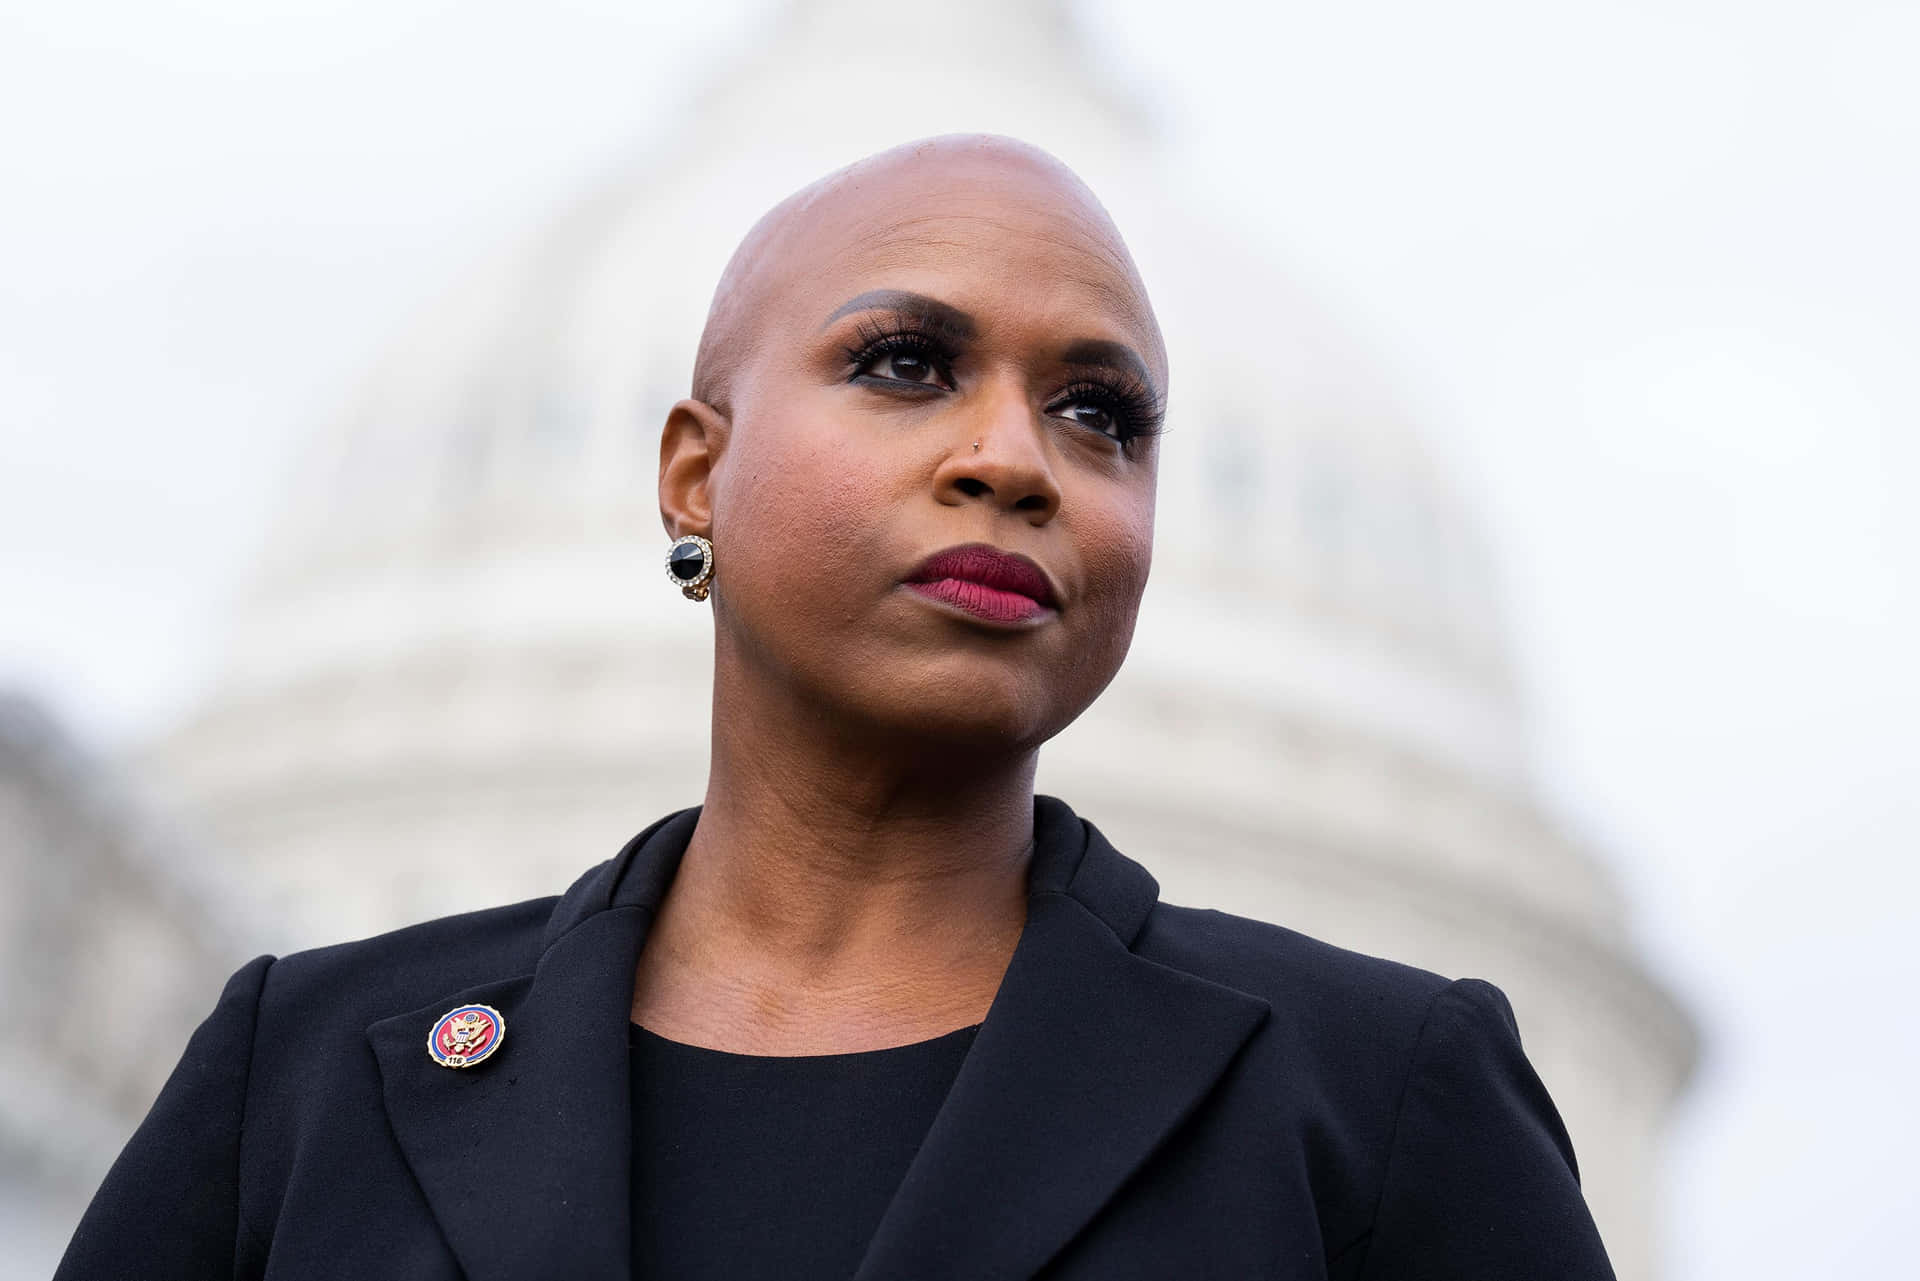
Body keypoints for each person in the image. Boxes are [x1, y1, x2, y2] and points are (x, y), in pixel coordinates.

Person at [56, 133, 1617, 1280]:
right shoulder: (307, 1078)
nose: (1013, 458)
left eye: (1100, 411)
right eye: (905, 362)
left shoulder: (1374, 1098)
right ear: (693, 471)